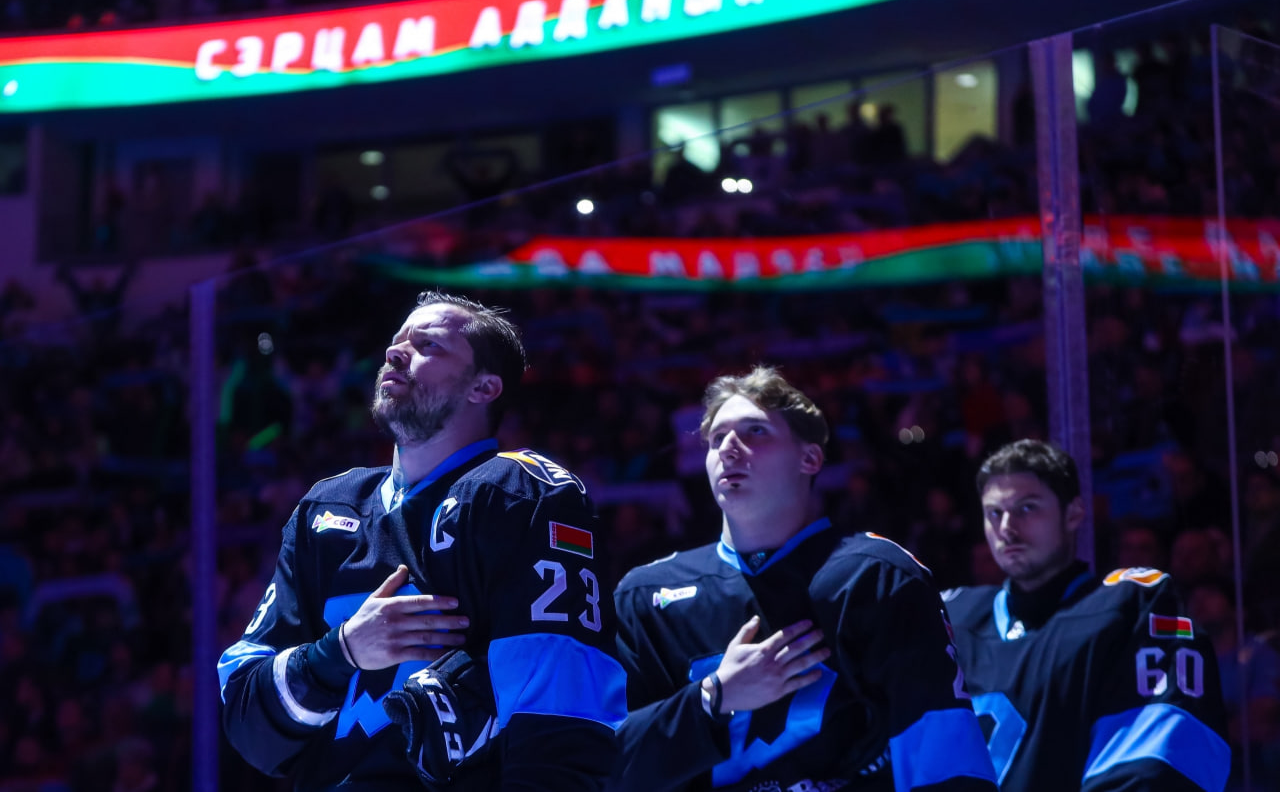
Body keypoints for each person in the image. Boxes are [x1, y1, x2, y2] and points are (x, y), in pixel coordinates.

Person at [218, 291, 627, 790]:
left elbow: (562, 727)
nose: (396, 352)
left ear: (483, 387)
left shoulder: (521, 494)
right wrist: (342, 651)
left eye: (427, 345)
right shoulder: (326, 507)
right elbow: (247, 725)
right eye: (397, 342)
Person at [609, 365, 997, 791]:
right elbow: (602, 765)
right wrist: (714, 696)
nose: (729, 449)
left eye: (755, 431)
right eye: (717, 439)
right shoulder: (645, 595)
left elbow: (944, 755)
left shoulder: (876, 576)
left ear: (810, 459)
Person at [944, 439, 1230, 792]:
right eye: (994, 513)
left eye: (1027, 508)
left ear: (1074, 514)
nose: (1007, 527)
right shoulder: (952, 618)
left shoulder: (1130, 607)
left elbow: (1163, 756)